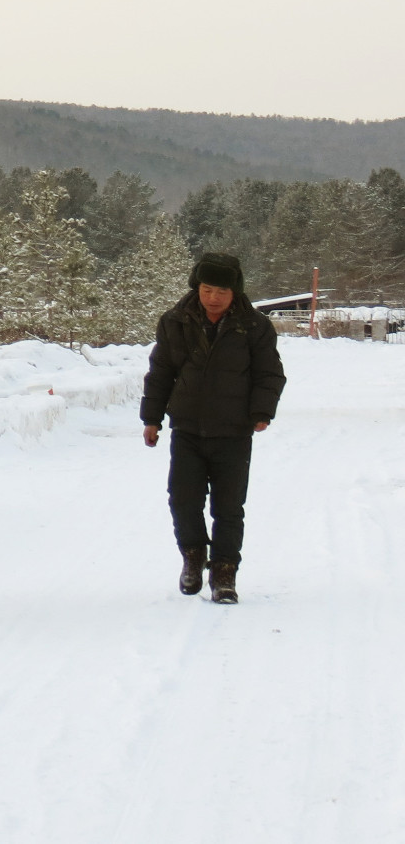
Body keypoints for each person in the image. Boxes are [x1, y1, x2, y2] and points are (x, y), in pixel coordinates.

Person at [140, 253, 286, 604]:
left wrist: (261, 411)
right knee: (183, 499)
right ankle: (193, 555)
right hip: (187, 427)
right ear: (197, 286)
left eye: (221, 290)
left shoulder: (254, 327)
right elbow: (160, 372)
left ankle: (224, 572)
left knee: (229, 506)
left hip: (233, 431)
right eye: (207, 289)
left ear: (235, 291)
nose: (213, 297)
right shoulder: (176, 321)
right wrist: (152, 418)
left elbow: (269, 374)